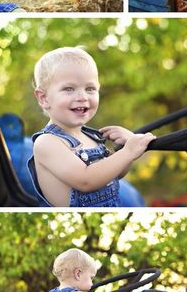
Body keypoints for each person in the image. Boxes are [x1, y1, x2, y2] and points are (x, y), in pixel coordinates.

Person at [27, 47, 155, 207]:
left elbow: (114, 175)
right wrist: (128, 152)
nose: (82, 97)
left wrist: (124, 150)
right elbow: (86, 180)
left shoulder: (90, 137)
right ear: (44, 98)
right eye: (69, 89)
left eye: (90, 88)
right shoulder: (47, 143)